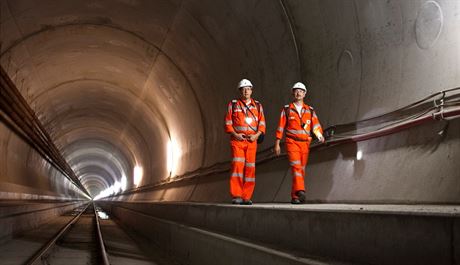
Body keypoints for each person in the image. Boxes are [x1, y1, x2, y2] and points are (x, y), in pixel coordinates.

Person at [274, 82, 325, 204]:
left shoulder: (310, 110)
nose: (298, 93)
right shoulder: (287, 109)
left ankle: (295, 197)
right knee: (296, 167)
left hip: (305, 143)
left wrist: (319, 135)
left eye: (301, 91)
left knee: (301, 170)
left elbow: (315, 126)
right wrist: (277, 143)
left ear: (305, 94)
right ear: (293, 93)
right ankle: (301, 191)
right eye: (296, 91)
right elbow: (281, 127)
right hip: (292, 142)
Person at [224, 78, 266, 205]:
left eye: (248, 89)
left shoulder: (258, 106)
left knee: (250, 169)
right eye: (243, 89)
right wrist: (236, 135)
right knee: (238, 166)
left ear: (251, 91)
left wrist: (257, 135)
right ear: (240, 91)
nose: (246, 91)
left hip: (252, 141)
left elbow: (262, 123)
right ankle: (237, 195)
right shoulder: (233, 105)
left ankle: (246, 196)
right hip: (238, 141)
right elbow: (228, 122)